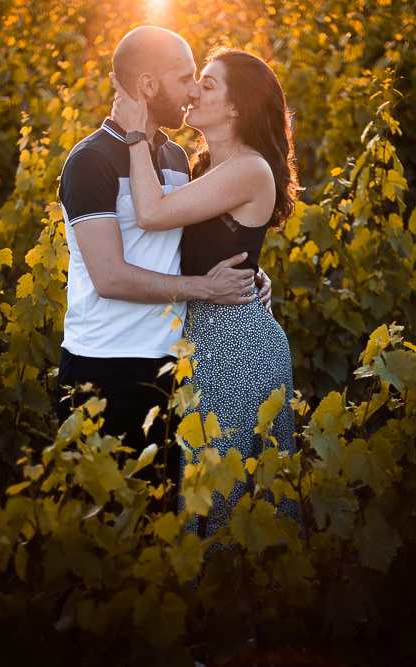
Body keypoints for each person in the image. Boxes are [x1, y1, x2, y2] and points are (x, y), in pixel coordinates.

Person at [56, 27, 272, 498]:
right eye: (186, 78)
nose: (194, 89)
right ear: (149, 86)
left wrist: (248, 272)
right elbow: (109, 277)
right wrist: (207, 288)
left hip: (173, 370)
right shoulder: (89, 161)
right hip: (105, 369)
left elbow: (195, 234)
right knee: (105, 531)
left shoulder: (175, 156)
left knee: (167, 530)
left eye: (201, 80)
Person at [109, 47, 300, 539]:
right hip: (206, 341)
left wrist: (134, 131)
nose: (193, 90)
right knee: (207, 495)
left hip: (236, 347)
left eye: (208, 84)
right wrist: (257, 275)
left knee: (223, 506)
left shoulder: (250, 169)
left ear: (236, 107)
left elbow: (151, 213)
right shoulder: (207, 166)